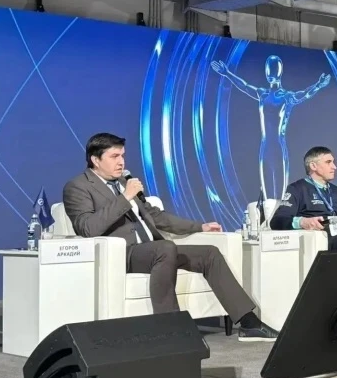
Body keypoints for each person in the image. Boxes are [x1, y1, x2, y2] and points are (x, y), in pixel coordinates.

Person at [63, 132, 278, 341]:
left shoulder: (122, 183)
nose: (121, 162)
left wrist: (199, 227)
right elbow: (87, 228)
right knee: (165, 248)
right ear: (95, 160)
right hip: (121, 255)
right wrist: (125, 197)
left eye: (122, 156)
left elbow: (156, 216)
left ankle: (249, 323)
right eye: (114, 156)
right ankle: (171, 329)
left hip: (154, 251)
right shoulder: (78, 187)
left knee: (209, 254)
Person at [211, 56, 331, 200]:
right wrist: (227, 73)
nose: (271, 73)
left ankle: (282, 213)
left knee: (281, 190)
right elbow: (244, 86)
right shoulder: (263, 94)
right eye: (269, 69)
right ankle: (267, 214)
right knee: (267, 190)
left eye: (273, 69)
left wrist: (318, 85)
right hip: (265, 147)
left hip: (279, 147)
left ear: (280, 72)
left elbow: (305, 94)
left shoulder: (287, 97)